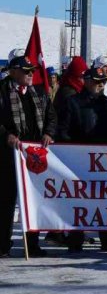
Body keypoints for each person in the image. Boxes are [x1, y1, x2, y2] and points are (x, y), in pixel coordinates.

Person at [0, 56, 57, 258]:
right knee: (6, 201)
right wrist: (6, 135)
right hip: (7, 156)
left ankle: (32, 244)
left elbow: (51, 116)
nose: (30, 74)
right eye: (26, 71)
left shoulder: (39, 92)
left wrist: (49, 132)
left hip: (33, 156)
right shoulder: (2, 91)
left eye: (32, 70)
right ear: (13, 71)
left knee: (34, 200)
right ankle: (2, 245)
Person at [60, 66, 107, 253]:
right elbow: (63, 131)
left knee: (105, 202)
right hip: (78, 161)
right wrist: (75, 152)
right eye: (96, 81)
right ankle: (75, 238)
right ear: (86, 81)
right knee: (78, 203)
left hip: (103, 163)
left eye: (103, 81)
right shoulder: (72, 102)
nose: (99, 84)